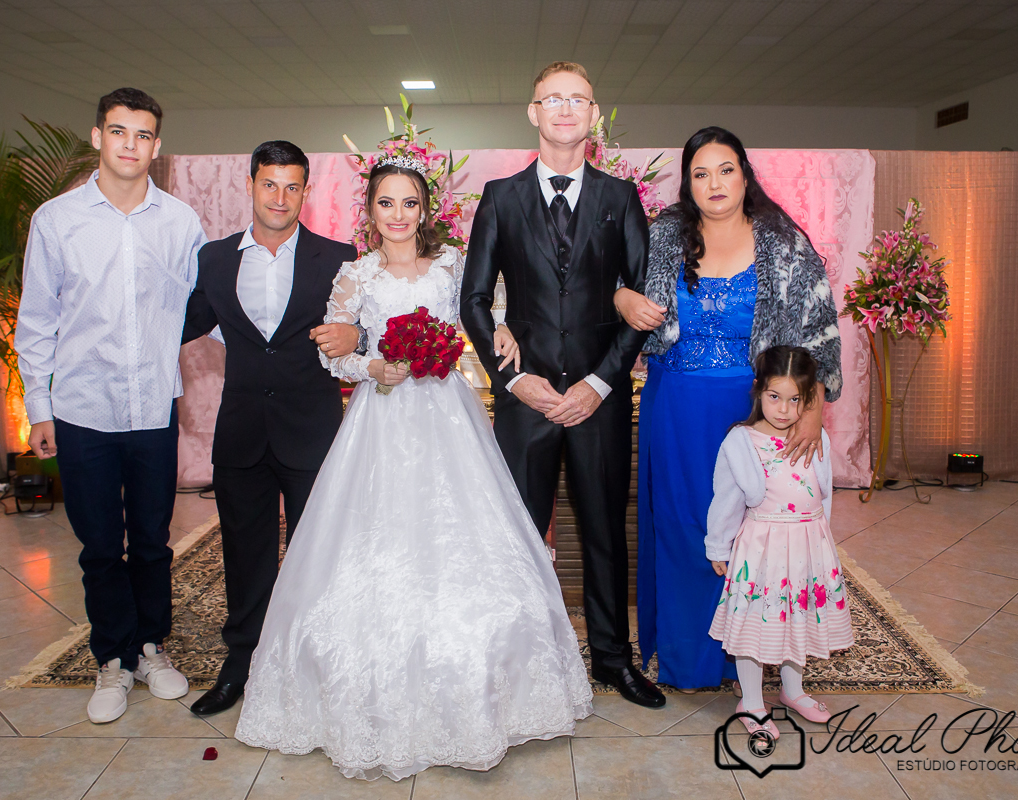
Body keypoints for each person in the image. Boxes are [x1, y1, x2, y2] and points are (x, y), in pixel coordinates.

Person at [234, 155, 591, 781]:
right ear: (370, 213)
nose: (397, 215)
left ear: (425, 211)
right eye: (385, 204)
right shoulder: (357, 274)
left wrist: (503, 330)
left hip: (448, 412)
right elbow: (334, 350)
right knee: (373, 540)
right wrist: (371, 366)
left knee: (466, 534)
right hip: (382, 414)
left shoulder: (452, 264)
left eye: (408, 203)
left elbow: (486, 311)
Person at [460, 61, 663, 708]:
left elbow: (641, 300)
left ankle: (612, 659)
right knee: (518, 536)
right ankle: (519, 664)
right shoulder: (500, 197)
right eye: (553, 99)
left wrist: (601, 384)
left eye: (578, 99)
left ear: (593, 114)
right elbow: (472, 301)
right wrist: (513, 380)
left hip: (600, 400)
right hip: (526, 401)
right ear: (534, 112)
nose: (566, 109)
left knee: (604, 532)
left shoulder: (620, 198)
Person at [613, 126, 842, 692]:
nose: (714, 183)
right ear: (687, 184)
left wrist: (812, 407)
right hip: (676, 407)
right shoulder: (662, 236)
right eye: (700, 173)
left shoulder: (785, 244)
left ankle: (748, 658)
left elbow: (819, 331)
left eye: (725, 170)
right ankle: (689, 659)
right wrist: (622, 296)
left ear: (745, 175)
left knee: (750, 535)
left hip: (756, 414)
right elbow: (616, 285)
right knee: (684, 527)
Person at [16, 88, 206, 723]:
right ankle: (112, 658)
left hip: (152, 406)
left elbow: (205, 305)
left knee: (152, 540)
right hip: (82, 408)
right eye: (119, 131)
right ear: (98, 136)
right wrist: (38, 408)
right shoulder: (57, 220)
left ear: (157, 146)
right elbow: (37, 321)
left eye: (143, 134)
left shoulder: (180, 222)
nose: (131, 144)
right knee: (99, 544)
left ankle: (150, 647)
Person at [180, 141, 363, 717]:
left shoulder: (338, 257)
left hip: (311, 431)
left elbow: (370, 324)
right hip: (240, 434)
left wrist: (358, 336)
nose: (279, 198)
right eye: (269, 184)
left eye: (291, 186)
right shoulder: (214, 259)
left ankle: (315, 666)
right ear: (251, 186)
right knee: (244, 556)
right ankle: (241, 665)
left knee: (317, 556)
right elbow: (181, 322)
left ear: (306, 191)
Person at [705, 346, 853, 736]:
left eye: (795, 400)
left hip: (808, 544)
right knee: (755, 624)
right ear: (758, 390)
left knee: (797, 617)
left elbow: (823, 491)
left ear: (808, 400)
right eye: (774, 397)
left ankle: (793, 689)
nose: (784, 410)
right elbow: (727, 499)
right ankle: (751, 701)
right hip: (763, 549)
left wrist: (823, 540)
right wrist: (718, 545)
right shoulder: (742, 441)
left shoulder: (814, 436)